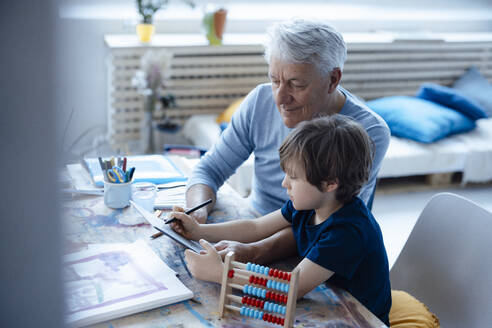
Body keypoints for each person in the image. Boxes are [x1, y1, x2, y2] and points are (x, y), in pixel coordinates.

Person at [170, 115, 392, 325]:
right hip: (330, 298)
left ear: (329, 183)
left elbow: (291, 290)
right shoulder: (311, 204)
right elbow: (256, 227)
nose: (285, 183)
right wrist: (199, 230)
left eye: (293, 177)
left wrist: (220, 274)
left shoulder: (347, 231)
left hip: (360, 318)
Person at [186, 18, 389, 224]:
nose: (280, 98)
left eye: (297, 84)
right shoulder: (259, 101)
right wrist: (196, 215)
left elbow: (334, 225)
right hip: (254, 220)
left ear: (333, 79)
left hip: (314, 240)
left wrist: (254, 246)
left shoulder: (369, 131)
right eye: (275, 81)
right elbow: (209, 169)